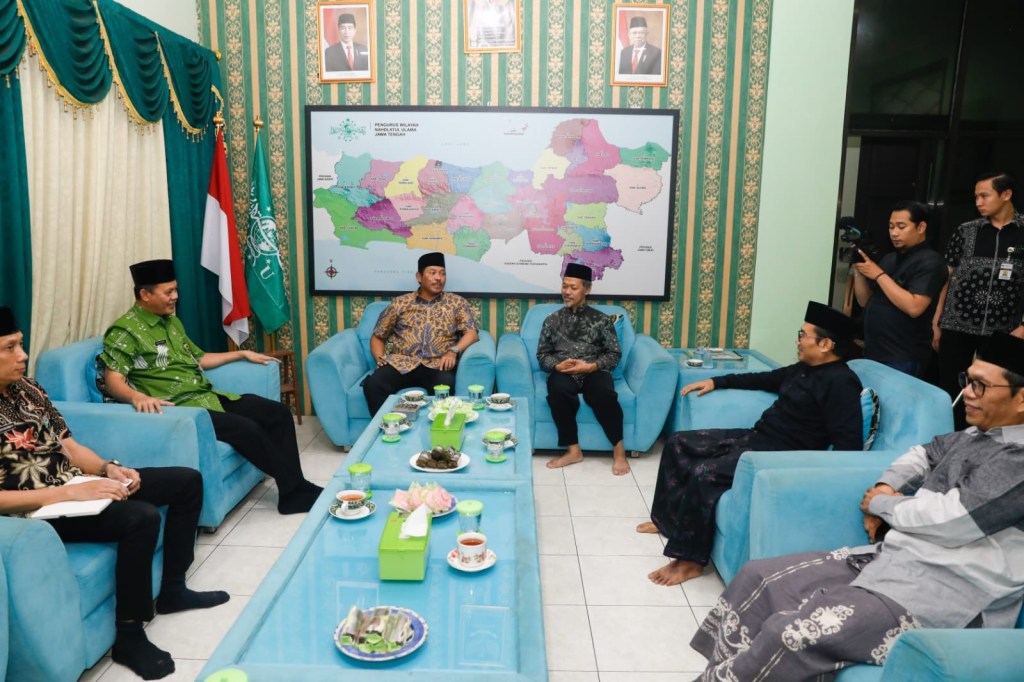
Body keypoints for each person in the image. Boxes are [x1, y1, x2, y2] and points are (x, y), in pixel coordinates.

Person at [691, 331, 1024, 681]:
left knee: (788, 634)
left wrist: (882, 504)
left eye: (980, 386)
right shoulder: (974, 435)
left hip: (942, 592)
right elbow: (921, 455)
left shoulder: (1017, 460)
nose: (967, 393)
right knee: (757, 578)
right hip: (895, 559)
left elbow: (952, 520)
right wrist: (885, 485)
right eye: (967, 381)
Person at [0, 306, 229, 681]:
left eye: (21, 344)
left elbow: (70, 446)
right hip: (35, 512)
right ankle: (129, 635)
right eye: (9, 348)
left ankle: (173, 589)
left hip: (74, 485)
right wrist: (65, 496)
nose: (22, 356)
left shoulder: (29, 388)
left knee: (186, 481)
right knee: (140, 518)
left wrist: (108, 469)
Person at [638, 301, 863, 586]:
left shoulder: (842, 383)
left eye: (803, 335)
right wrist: (716, 381)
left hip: (781, 455)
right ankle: (667, 521)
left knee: (704, 473)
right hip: (757, 437)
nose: (797, 340)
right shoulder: (804, 368)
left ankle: (690, 561)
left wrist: (818, 481)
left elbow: (848, 444)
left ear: (826, 344)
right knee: (678, 442)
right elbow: (764, 379)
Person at [101, 260, 321, 515]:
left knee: (278, 413)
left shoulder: (172, 322)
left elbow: (200, 358)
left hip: (205, 395)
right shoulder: (124, 331)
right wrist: (137, 397)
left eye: (176, 289)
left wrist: (241, 354)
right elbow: (113, 380)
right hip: (180, 409)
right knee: (247, 428)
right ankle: (295, 492)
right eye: (168, 292)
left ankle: (294, 490)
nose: (176, 297)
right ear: (145, 294)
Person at [933, 171, 1024, 428]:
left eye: (984, 196)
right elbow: (946, 278)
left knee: (994, 392)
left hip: (1004, 329)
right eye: (976, 197)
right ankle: (950, 439)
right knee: (952, 389)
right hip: (956, 324)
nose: (978, 202)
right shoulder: (965, 231)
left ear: (1006, 194)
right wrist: (937, 320)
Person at [537, 263, 629, 476]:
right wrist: (556, 365)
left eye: (573, 287)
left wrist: (591, 366)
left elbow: (614, 355)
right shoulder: (552, 320)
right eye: (564, 286)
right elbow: (542, 355)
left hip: (594, 371)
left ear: (587, 290)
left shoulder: (601, 320)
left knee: (604, 394)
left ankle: (619, 451)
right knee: (558, 390)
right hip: (564, 372)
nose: (567, 292)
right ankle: (573, 451)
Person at [363, 252, 479, 416]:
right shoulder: (400, 303)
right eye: (432, 273)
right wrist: (380, 359)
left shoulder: (456, 303)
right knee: (373, 384)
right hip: (401, 363)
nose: (438, 278)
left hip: (437, 364)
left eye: (442, 273)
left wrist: (453, 351)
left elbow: (472, 333)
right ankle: (389, 426)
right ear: (419, 277)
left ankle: (435, 429)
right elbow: (378, 335)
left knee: (444, 387)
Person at [853, 200, 948, 377]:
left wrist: (879, 275)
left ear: (921, 227)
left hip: (902, 356)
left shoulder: (931, 262)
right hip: (874, 351)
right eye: (891, 227)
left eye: (901, 227)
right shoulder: (889, 259)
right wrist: (858, 270)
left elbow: (914, 307)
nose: (894, 233)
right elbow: (864, 301)